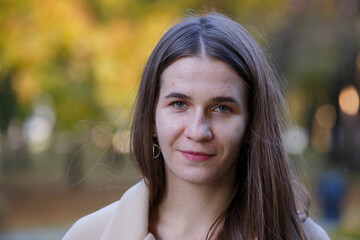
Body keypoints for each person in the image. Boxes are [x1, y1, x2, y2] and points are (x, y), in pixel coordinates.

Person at [63, 12, 330, 240]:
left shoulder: (304, 237)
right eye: (179, 104)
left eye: (222, 108)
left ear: (251, 125)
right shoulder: (89, 235)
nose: (197, 131)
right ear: (151, 119)